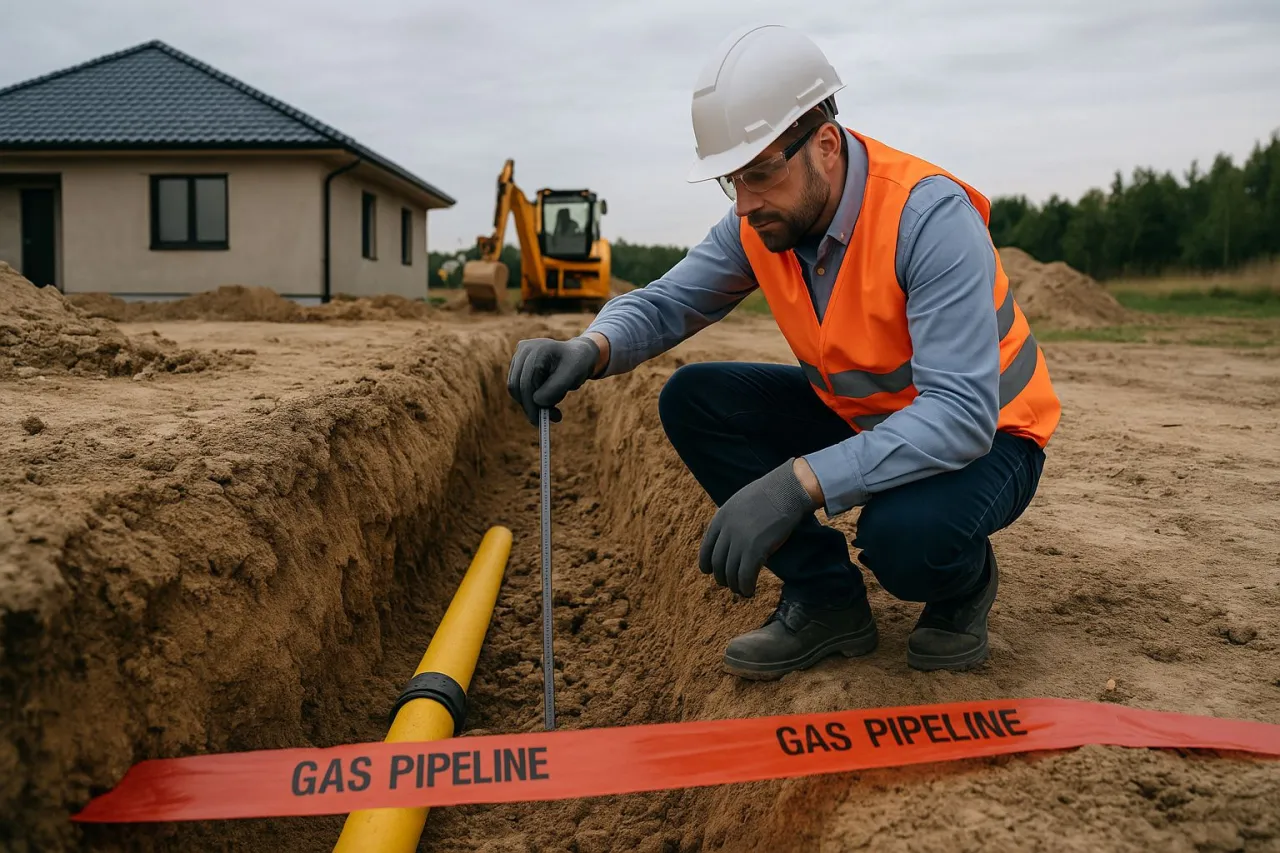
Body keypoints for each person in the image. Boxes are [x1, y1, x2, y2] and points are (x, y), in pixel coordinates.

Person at [506, 24, 1061, 680]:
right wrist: (592, 346)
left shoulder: (926, 218)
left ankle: (963, 585)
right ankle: (827, 598)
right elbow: (667, 301)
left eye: (760, 174)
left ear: (825, 144)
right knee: (695, 399)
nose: (745, 203)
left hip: (991, 434)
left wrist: (799, 483)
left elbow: (959, 415)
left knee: (904, 540)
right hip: (873, 417)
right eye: (730, 182)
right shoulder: (763, 220)